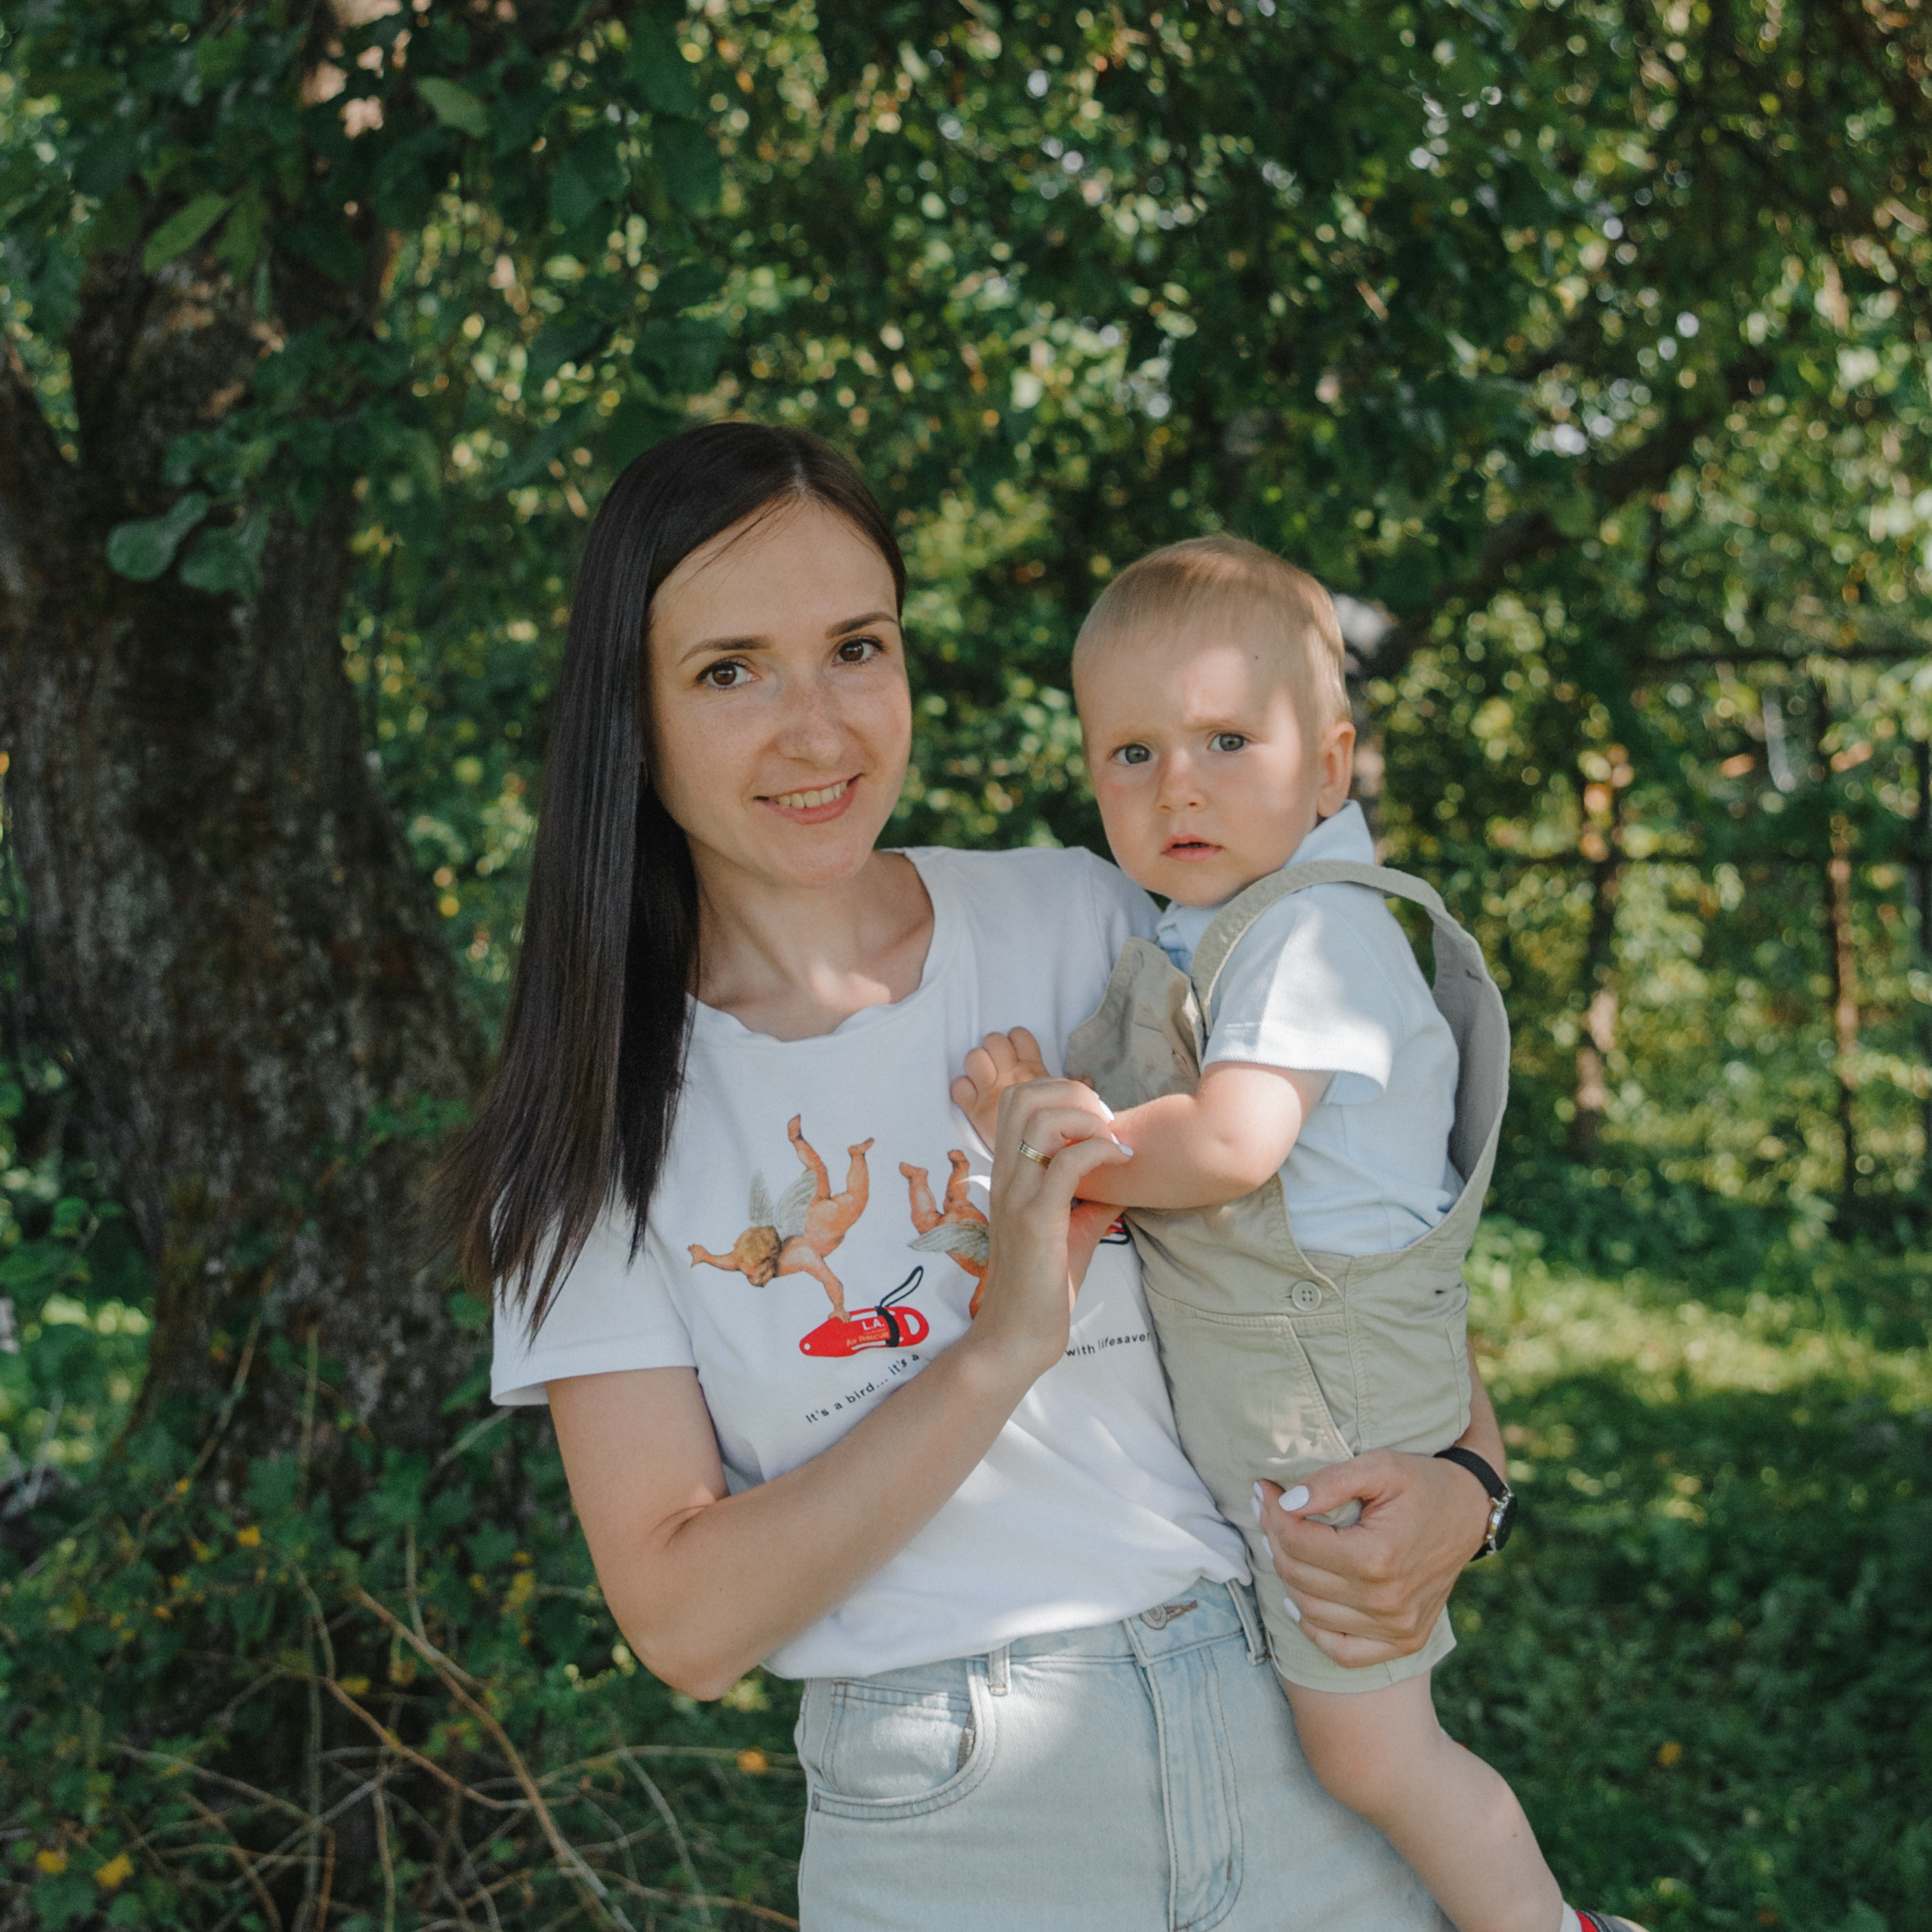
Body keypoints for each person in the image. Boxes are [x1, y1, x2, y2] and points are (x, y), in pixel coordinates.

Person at [449, 423, 1521, 1930]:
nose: (815, 727)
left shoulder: (1087, 917)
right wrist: (999, 1346)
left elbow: (1347, 1240)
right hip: (963, 1825)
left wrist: (1468, 1485)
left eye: (855, 647)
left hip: (1292, 1743)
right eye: (729, 668)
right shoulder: (593, 1131)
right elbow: (683, 1622)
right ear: (630, 709)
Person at [952, 537, 1643, 1932]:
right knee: (1334, 1732)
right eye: (1130, 755)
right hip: (1282, 1378)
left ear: (1330, 769)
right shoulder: (1214, 932)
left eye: (1224, 738)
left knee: (1373, 1747)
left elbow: (1229, 1144)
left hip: (1329, 1396)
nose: (1178, 784)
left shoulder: (1316, 933)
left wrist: (1048, 1132)